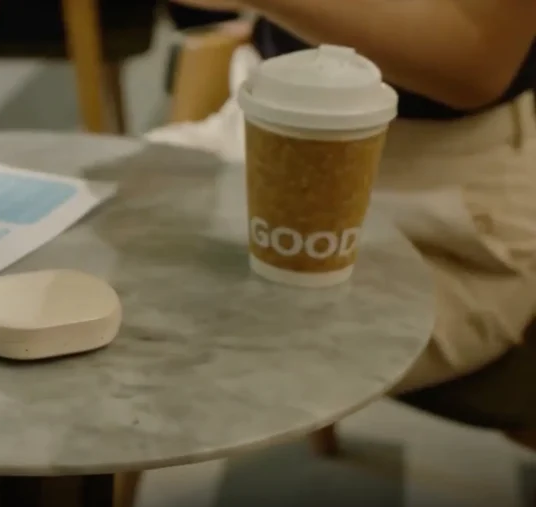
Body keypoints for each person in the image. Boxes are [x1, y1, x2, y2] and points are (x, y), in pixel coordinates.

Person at [158, 0, 536, 393]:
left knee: (216, 363)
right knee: (118, 285)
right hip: (258, 125)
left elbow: (477, 60)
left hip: (447, 206)